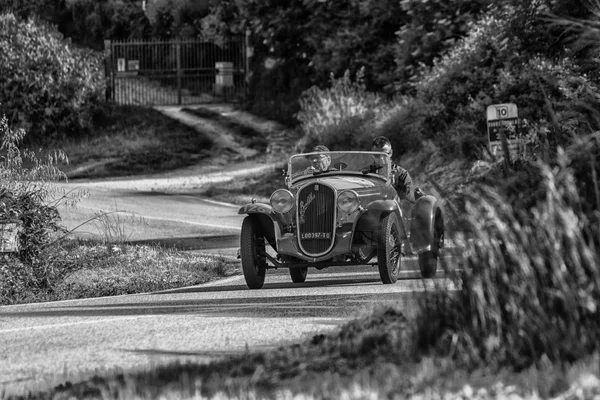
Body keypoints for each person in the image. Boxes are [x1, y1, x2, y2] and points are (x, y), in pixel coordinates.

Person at [370, 136, 425, 202]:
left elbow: (408, 201)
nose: (381, 158)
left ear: (390, 153)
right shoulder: (365, 174)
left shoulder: (401, 174)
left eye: (384, 154)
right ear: (372, 155)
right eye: (377, 155)